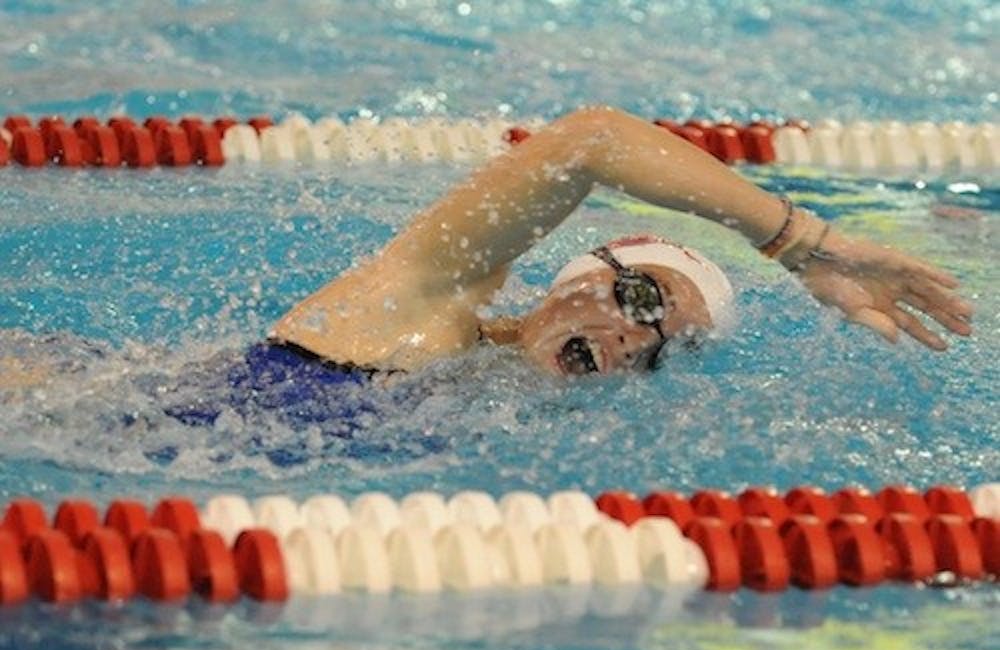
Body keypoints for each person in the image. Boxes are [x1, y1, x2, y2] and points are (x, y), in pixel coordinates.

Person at [265, 106, 972, 378]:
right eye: (642, 296)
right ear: (579, 274)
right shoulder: (418, 309)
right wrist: (798, 242)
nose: (638, 338)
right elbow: (591, 140)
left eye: (671, 347)